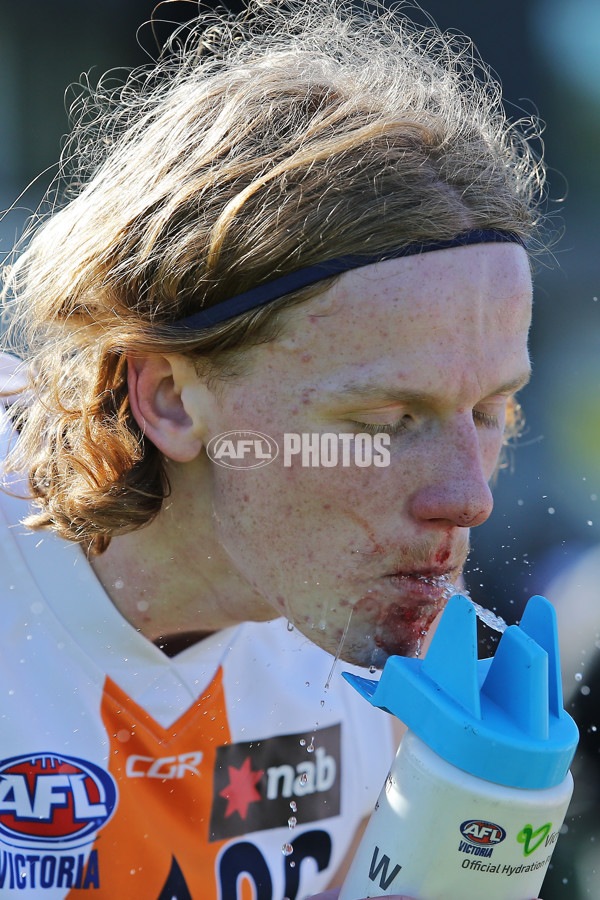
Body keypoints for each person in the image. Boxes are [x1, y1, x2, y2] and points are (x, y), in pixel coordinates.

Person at [0, 0, 544, 897]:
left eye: (489, 411)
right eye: (381, 421)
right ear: (171, 398)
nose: (468, 495)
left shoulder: (378, 637)